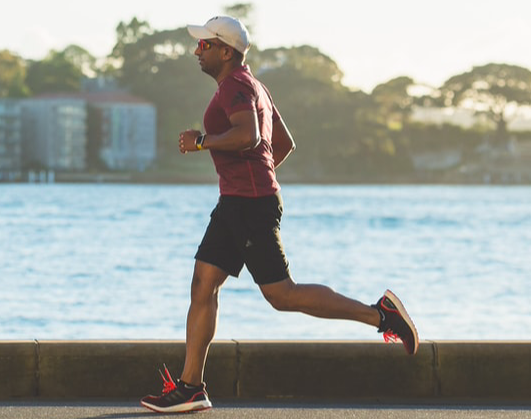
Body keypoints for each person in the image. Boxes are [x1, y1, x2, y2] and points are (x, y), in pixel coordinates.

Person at [140, 16, 419, 414]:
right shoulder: (255, 86)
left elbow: (251, 136)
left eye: (204, 45)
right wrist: (256, 176)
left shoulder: (237, 85)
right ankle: (190, 387)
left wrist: (203, 142)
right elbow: (282, 143)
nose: (197, 51)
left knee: (282, 295)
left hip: (247, 205)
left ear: (226, 51)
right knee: (203, 284)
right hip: (240, 202)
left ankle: (381, 315)